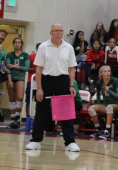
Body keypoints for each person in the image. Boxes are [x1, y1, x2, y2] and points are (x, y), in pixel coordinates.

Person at [26, 24, 80, 152]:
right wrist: (39, 88)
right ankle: (35, 140)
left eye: (61, 30)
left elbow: (71, 69)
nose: (59, 33)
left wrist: (71, 85)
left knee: (66, 112)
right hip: (46, 80)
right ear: (51, 32)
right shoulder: (43, 47)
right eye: (56, 31)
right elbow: (38, 69)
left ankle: (70, 142)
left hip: (63, 80)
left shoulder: (69, 47)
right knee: (41, 110)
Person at [88, 65, 118, 139]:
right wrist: (99, 104)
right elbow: (97, 95)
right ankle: (98, 129)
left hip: (116, 105)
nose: (107, 73)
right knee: (91, 109)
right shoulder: (99, 83)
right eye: (105, 71)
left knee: (109, 107)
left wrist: (108, 90)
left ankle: (107, 131)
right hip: (105, 105)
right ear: (101, 73)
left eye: (108, 71)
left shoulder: (115, 80)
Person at [6, 38, 30, 129]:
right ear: (13, 44)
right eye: (15, 42)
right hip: (11, 77)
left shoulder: (25, 55)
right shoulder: (9, 54)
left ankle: (17, 119)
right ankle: (12, 120)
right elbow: (8, 67)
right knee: (11, 98)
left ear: (21, 44)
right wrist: (9, 80)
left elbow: (26, 68)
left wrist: (13, 66)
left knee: (20, 97)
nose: (17, 44)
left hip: (20, 77)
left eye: (19, 42)